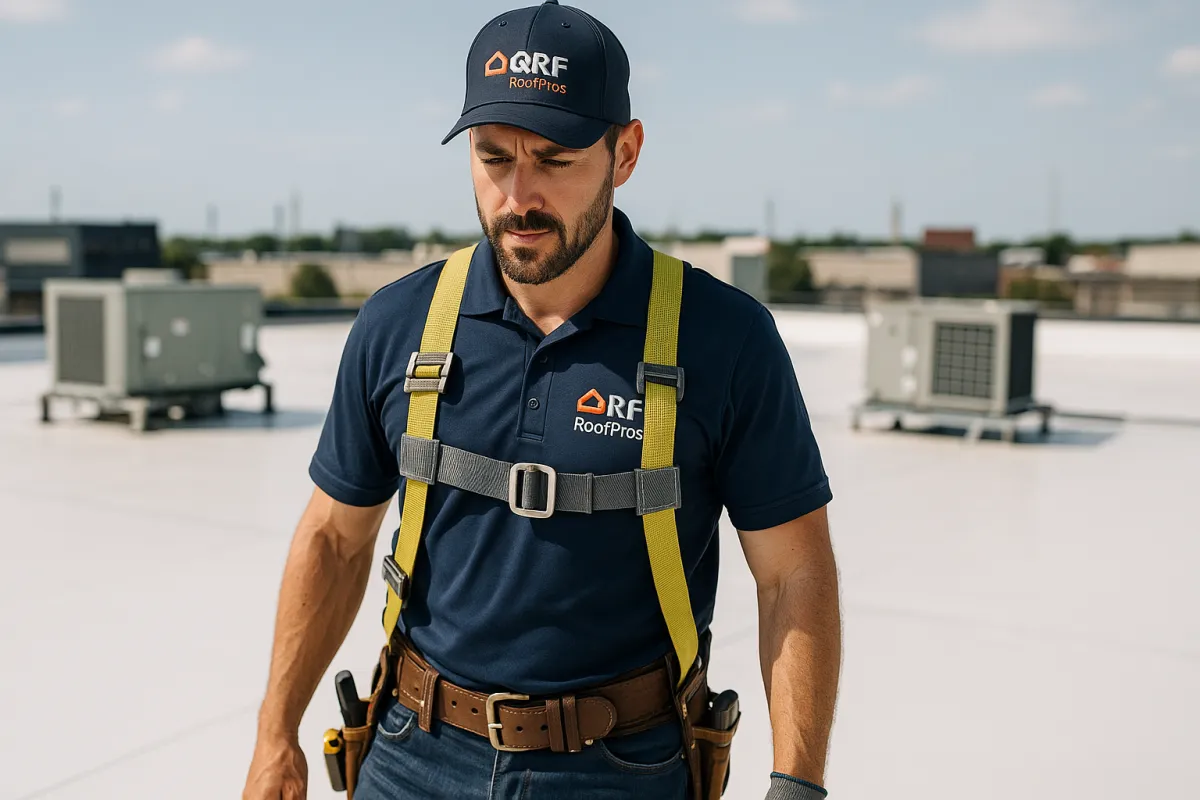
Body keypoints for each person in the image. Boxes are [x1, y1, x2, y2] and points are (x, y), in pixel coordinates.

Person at [242, 2, 840, 798]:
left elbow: (793, 575)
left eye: (555, 160)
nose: (518, 196)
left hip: (624, 769)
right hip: (411, 756)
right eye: (493, 158)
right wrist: (274, 732)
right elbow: (333, 541)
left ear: (624, 153)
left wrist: (796, 785)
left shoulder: (724, 340)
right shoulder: (399, 324)